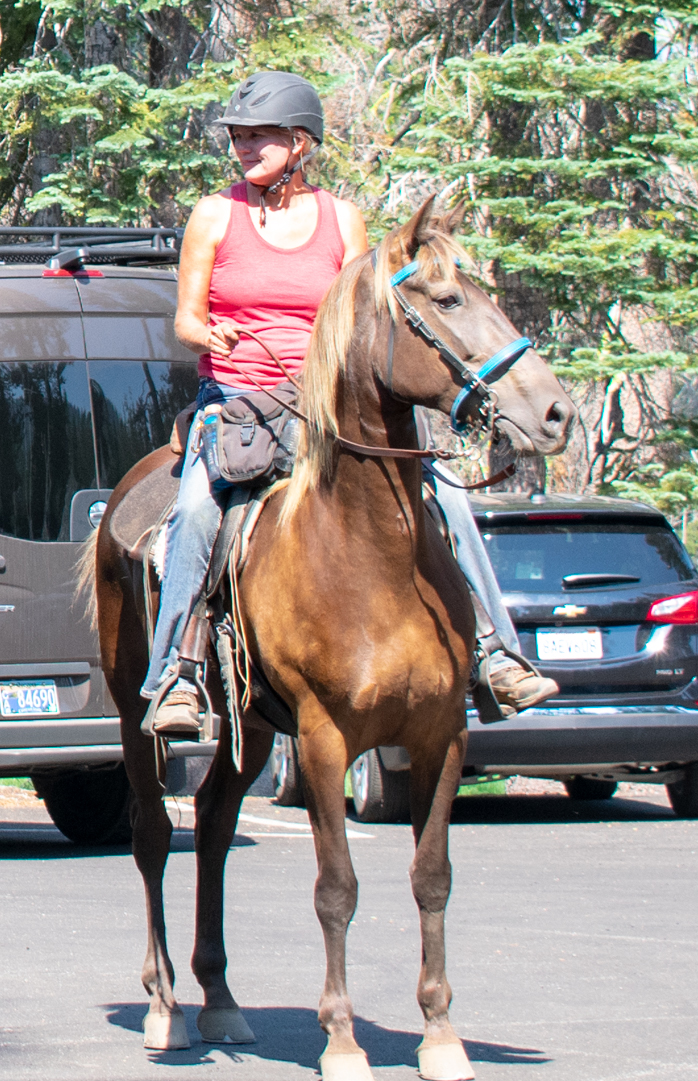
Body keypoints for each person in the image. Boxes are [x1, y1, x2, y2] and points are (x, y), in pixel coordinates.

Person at [144, 70, 556, 739]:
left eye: (261, 137)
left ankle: (495, 651)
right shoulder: (214, 215)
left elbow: (363, 320)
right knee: (193, 512)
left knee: (447, 494)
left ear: (300, 141)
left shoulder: (342, 219)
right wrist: (209, 331)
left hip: (322, 409)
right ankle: (176, 673)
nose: (245, 148)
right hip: (240, 402)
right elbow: (186, 318)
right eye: (239, 137)